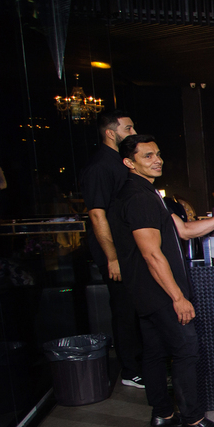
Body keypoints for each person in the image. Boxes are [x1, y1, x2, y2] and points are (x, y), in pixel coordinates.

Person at [108, 134, 214, 427]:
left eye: (157, 154)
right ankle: (192, 421)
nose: (157, 160)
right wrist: (178, 297)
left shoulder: (149, 193)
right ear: (129, 163)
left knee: (154, 352)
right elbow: (152, 254)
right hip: (160, 293)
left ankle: (162, 414)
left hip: (146, 294)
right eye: (147, 157)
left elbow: (183, 231)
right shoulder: (138, 198)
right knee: (185, 350)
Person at [81, 110, 144, 388]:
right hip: (115, 251)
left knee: (137, 305)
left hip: (130, 247)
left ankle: (141, 363)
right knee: (124, 308)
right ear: (111, 132)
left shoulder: (121, 163)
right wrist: (112, 258)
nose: (132, 133)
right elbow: (97, 215)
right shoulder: (99, 167)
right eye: (128, 129)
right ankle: (130, 370)